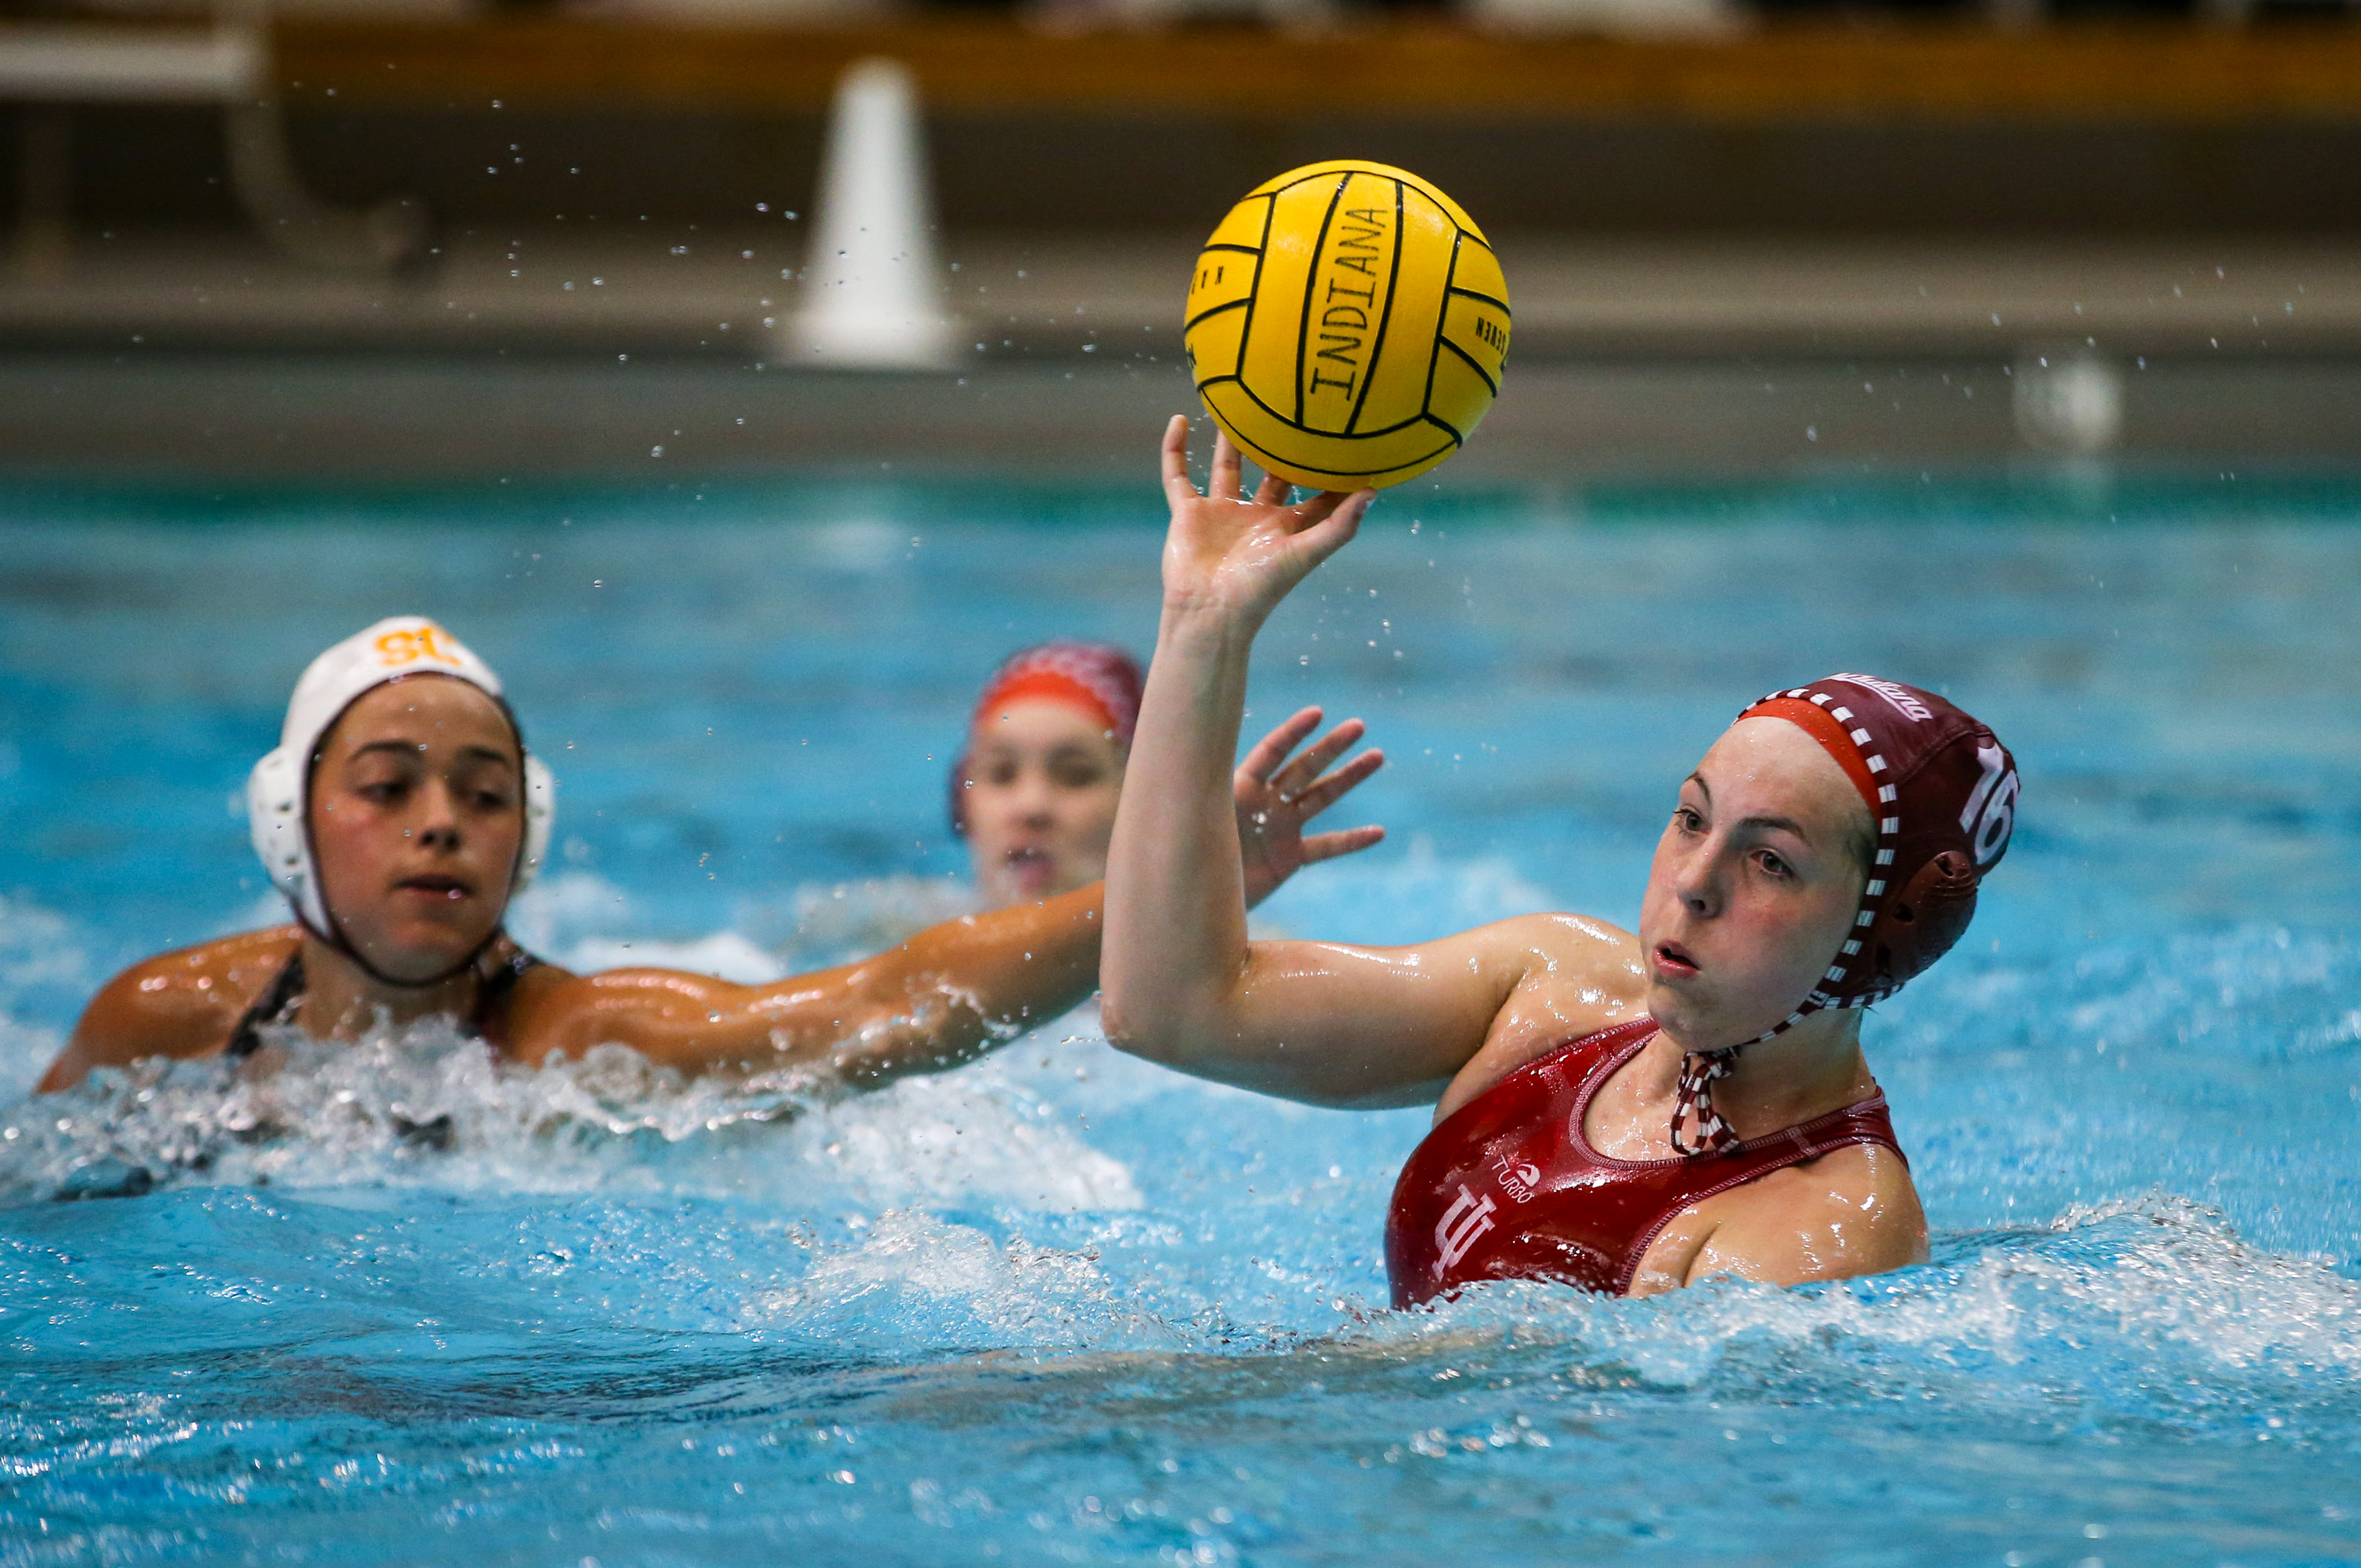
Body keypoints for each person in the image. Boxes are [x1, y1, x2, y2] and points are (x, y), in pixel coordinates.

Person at [1100, 419, 2020, 1302]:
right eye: (1691, 819)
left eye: (1771, 862)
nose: (1694, 885)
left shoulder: (1822, 1226)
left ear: (1885, 932)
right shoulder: (1557, 986)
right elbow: (1172, 1010)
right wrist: (1204, 623)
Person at [36, 613, 1383, 1098]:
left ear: (532, 833)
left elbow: (880, 1001)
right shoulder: (163, 1023)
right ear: (287, 820)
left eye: (484, 791)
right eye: (387, 785)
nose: (440, 819)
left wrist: (1174, 878)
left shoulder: (592, 1038)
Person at [951, 639, 1382, 908]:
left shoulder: (1218, 962)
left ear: (1144, 805)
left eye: (1076, 777)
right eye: (1002, 774)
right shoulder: (902, 938)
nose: (1032, 808)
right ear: (962, 799)